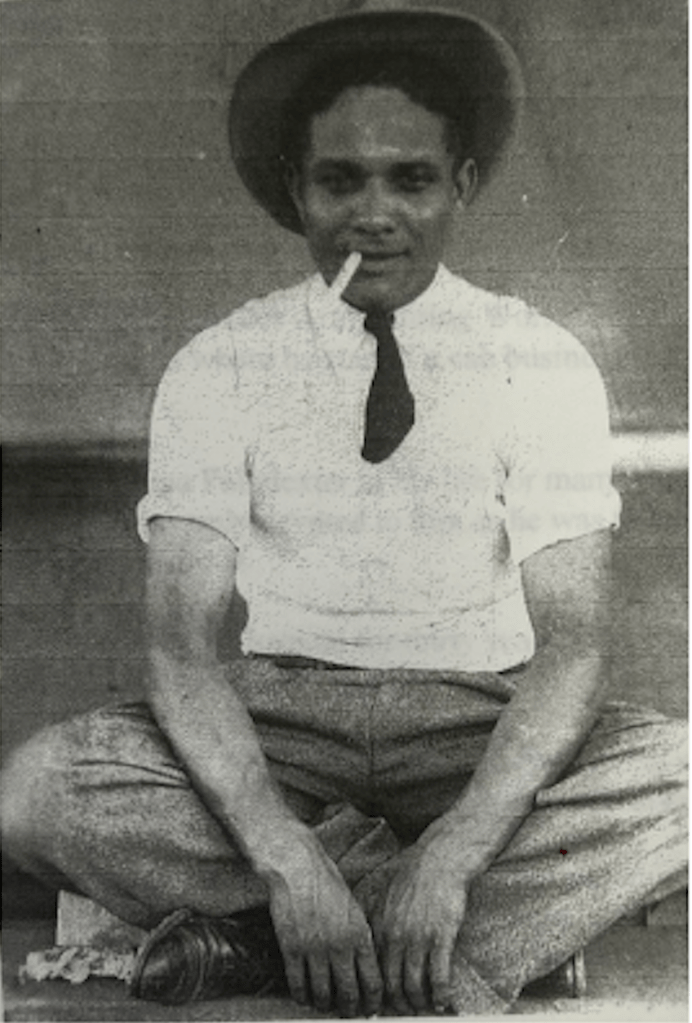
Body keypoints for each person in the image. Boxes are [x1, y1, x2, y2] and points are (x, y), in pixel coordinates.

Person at [1, 3, 687, 1017]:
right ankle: (445, 949)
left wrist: (452, 851)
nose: (374, 214)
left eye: (409, 180)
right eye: (339, 180)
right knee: (38, 787)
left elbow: (573, 645)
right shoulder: (221, 363)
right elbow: (182, 651)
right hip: (280, 720)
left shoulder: (532, 358)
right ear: (295, 191)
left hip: (475, 722)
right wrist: (285, 857)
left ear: (459, 186)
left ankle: (277, 946)